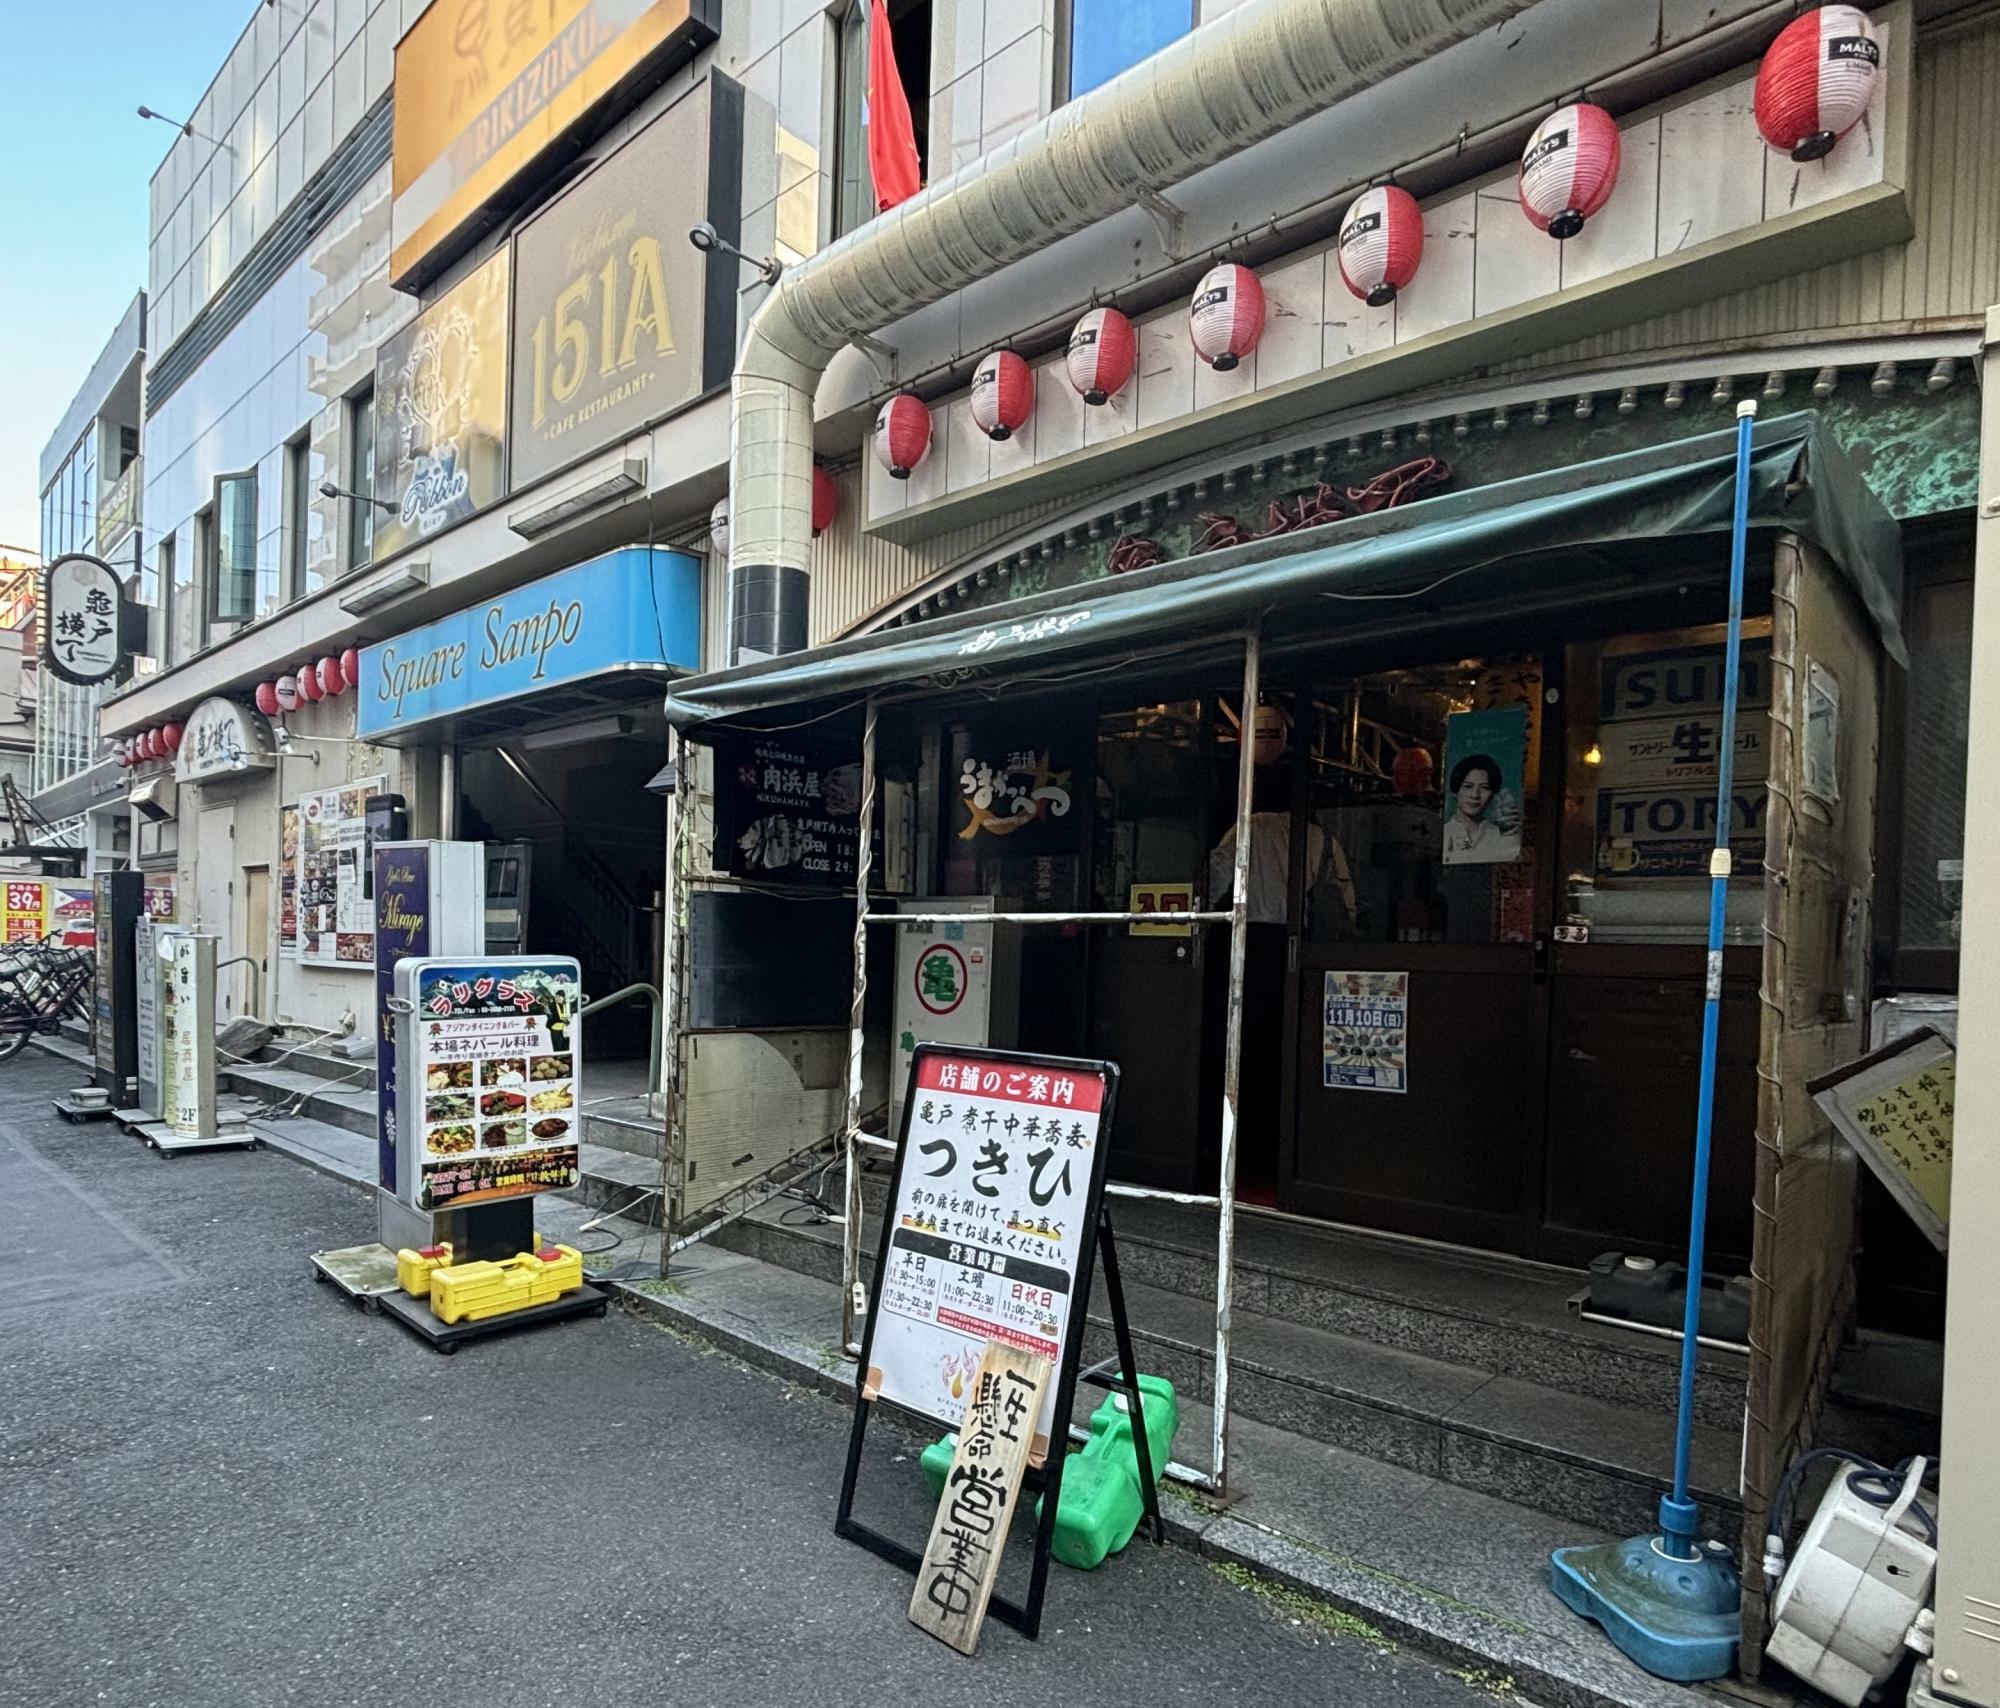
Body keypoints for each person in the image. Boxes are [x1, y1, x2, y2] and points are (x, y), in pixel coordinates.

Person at [1442, 751, 1521, 864]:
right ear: (1456, 790)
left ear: (1493, 794)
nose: (1475, 795)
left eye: (1485, 788)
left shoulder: (1500, 835)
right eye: (1468, 786)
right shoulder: (1442, 833)